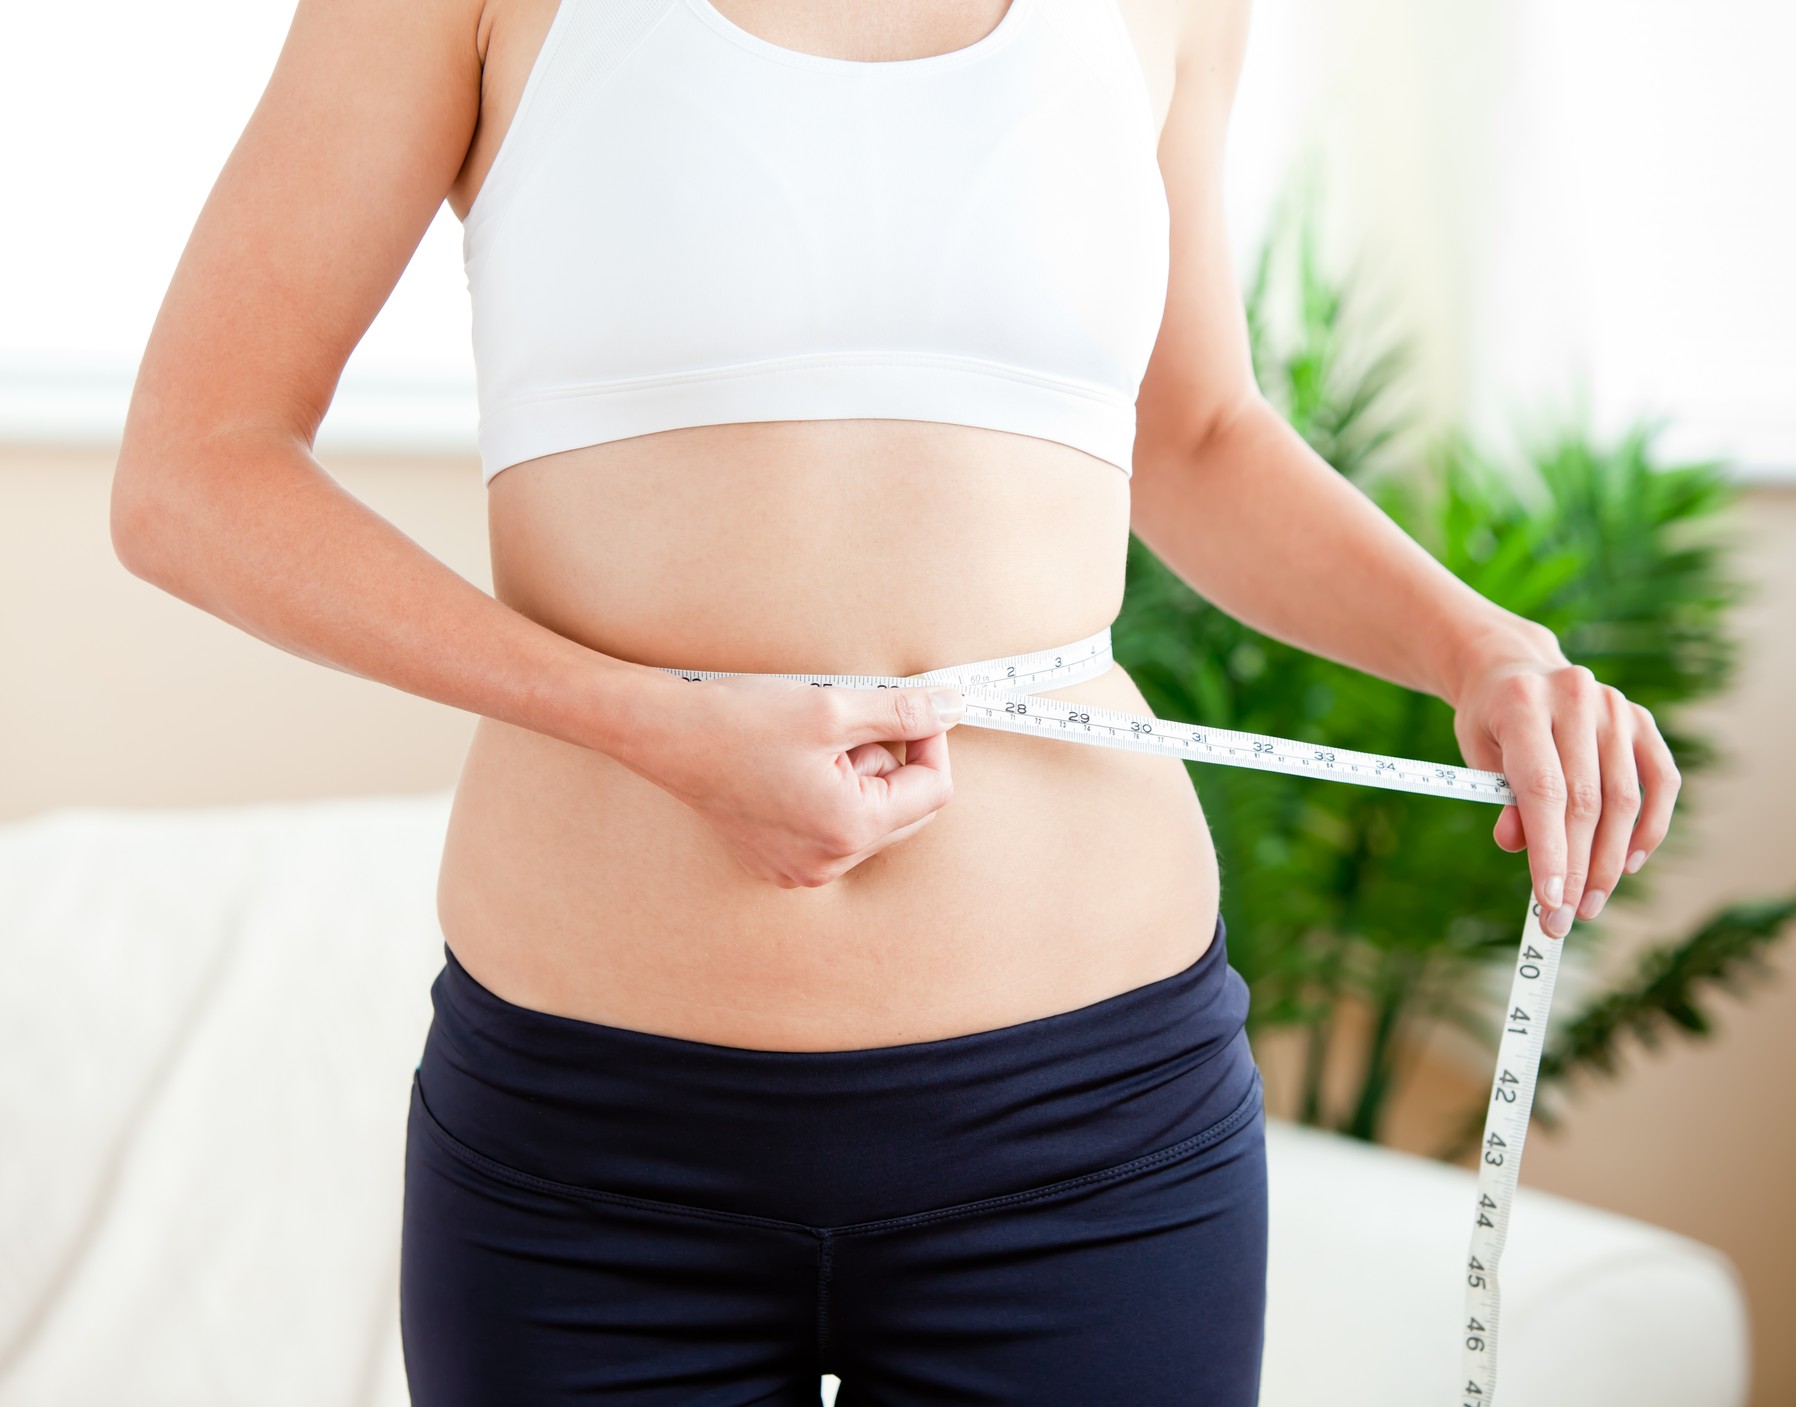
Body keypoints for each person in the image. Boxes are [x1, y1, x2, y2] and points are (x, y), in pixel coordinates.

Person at [109, 0, 1681, 1401]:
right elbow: (197, 470)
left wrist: (1484, 648)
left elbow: (1194, 431)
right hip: (595, 1146)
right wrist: (647, 719)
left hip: (1093, 1121)